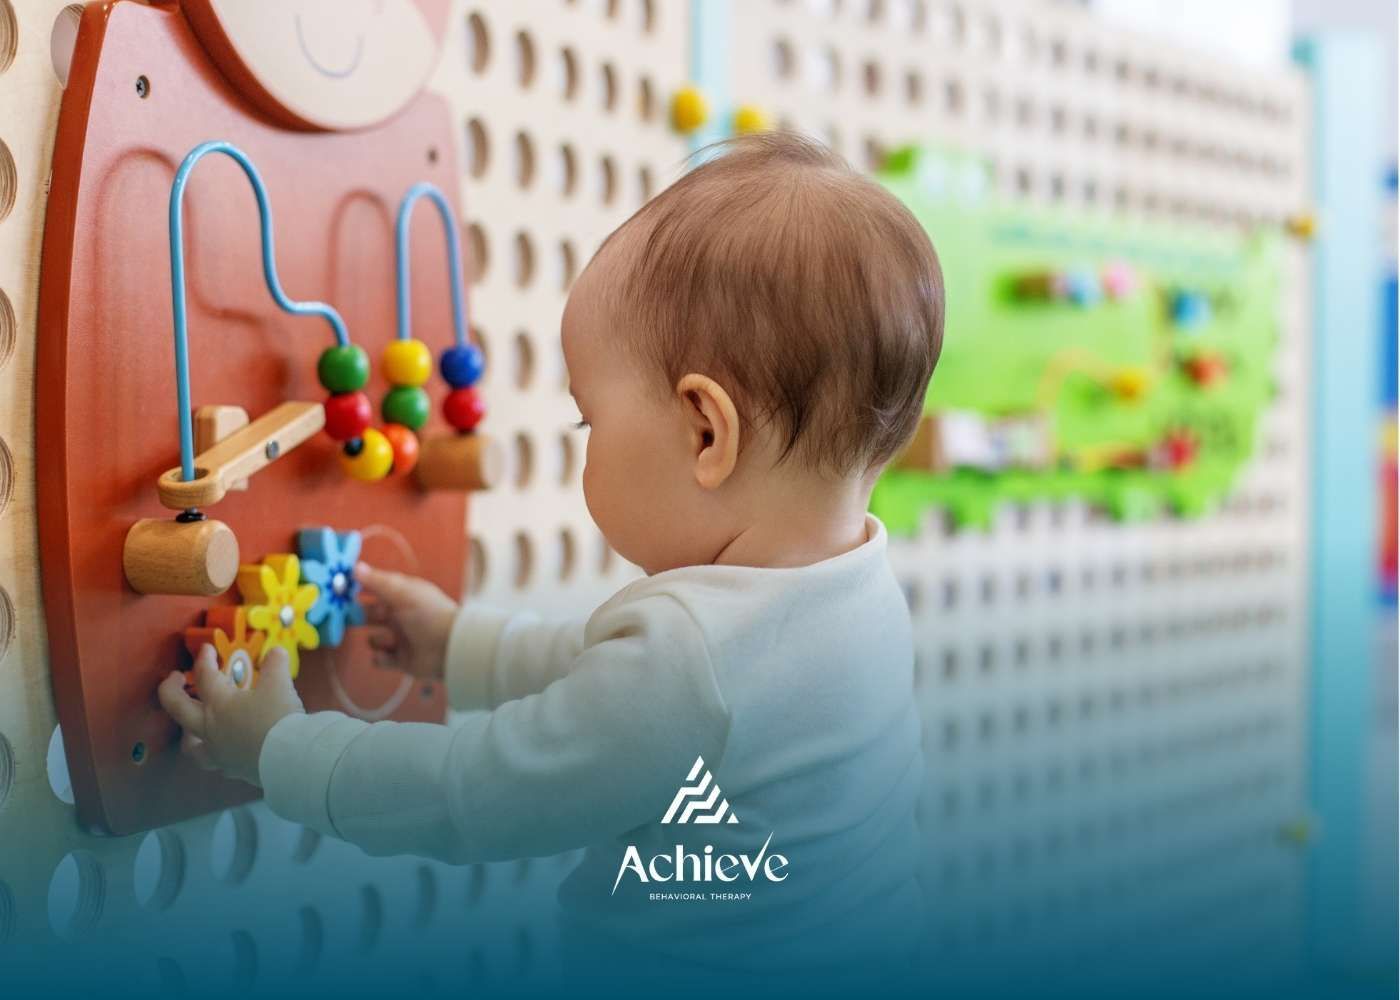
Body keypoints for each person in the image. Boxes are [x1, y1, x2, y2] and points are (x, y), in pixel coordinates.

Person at [159, 131, 945, 988]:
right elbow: (612, 684)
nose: (586, 446)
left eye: (588, 422)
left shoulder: (690, 655)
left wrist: (280, 748)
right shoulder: (856, 590)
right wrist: (458, 644)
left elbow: (474, 793)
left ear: (706, 432)